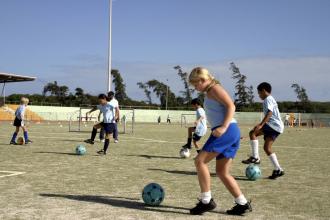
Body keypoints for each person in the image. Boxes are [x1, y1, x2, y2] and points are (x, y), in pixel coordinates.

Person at [188, 67, 252, 216]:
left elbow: (231, 105)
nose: (195, 88)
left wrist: (223, 127)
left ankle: (206, 201)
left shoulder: (215, 89)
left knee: (200, 162)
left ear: (203, 80)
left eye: (196, 84)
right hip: (230, 131)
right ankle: (242, 203)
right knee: (222, 172)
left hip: (226, 130)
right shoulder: (209, 92)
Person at [242, 82, 285, 179]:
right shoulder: (271, 99)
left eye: (259, 93)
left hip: (273, 125)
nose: (259, 95)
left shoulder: (268, 99)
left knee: (253, 133)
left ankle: (255, 157)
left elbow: (270, 113)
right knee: (267, 148)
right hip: (278, 127)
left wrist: (261, 125)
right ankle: (278, 169)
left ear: (264, 91)